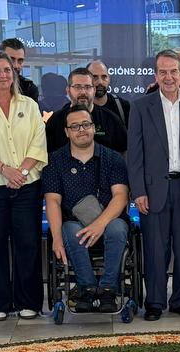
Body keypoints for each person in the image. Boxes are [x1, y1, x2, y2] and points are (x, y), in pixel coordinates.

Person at [128, 49, 180, 321]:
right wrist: (138, 191)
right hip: (153, 191)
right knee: (155, 248)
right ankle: (154, 302)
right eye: (162, 72)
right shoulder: (141, 107)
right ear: (155, 74)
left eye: (173, 71)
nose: (168, 77)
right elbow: (135, 155)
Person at [0, 50, 48, 321]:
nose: (3, 75)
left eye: (7, 70)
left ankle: (28, 302)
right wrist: (5, 170)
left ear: (14, 74)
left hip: (27, 184)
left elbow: (38, 141)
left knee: (28, 243)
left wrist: (22, 172)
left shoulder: (29, 105)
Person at [43, 105, 130, 313]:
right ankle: (86, 289)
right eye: (75, 126)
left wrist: (99, 224)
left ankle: (108, 289)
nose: (81, 130)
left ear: (93, 127)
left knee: (118, 228)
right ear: (67, 132)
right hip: (74, 223)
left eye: (85, 124)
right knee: (71, 230)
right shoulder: (55, 161)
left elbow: (120, 196)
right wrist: (56, 239)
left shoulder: (113, 158)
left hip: (109, 220)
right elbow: (53, 201)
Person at [44, 68, 127, 154]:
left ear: (94, 90)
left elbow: (124, 152)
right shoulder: (55, 121)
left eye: (87, 87)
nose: (83, 92)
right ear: (68, 90)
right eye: (77, 87)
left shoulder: (111, 119)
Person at [87, 60, 130, 126]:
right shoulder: (78, 108)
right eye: (94, 77)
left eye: (104, 77)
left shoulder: (123, 106)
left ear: (109, 79)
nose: (100, 82)